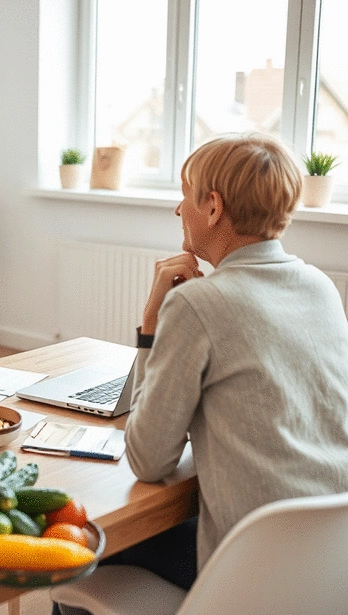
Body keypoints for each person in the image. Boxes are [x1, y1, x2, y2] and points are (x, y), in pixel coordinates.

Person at [54, 132, 348, 614]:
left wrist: (152, 323)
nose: (177, 210)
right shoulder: (319, 287)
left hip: (246, 570)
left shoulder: (199, 302)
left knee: (80, 543)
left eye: (185, 194)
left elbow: (149, 460)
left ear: (213, 207)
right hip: (326, 562)